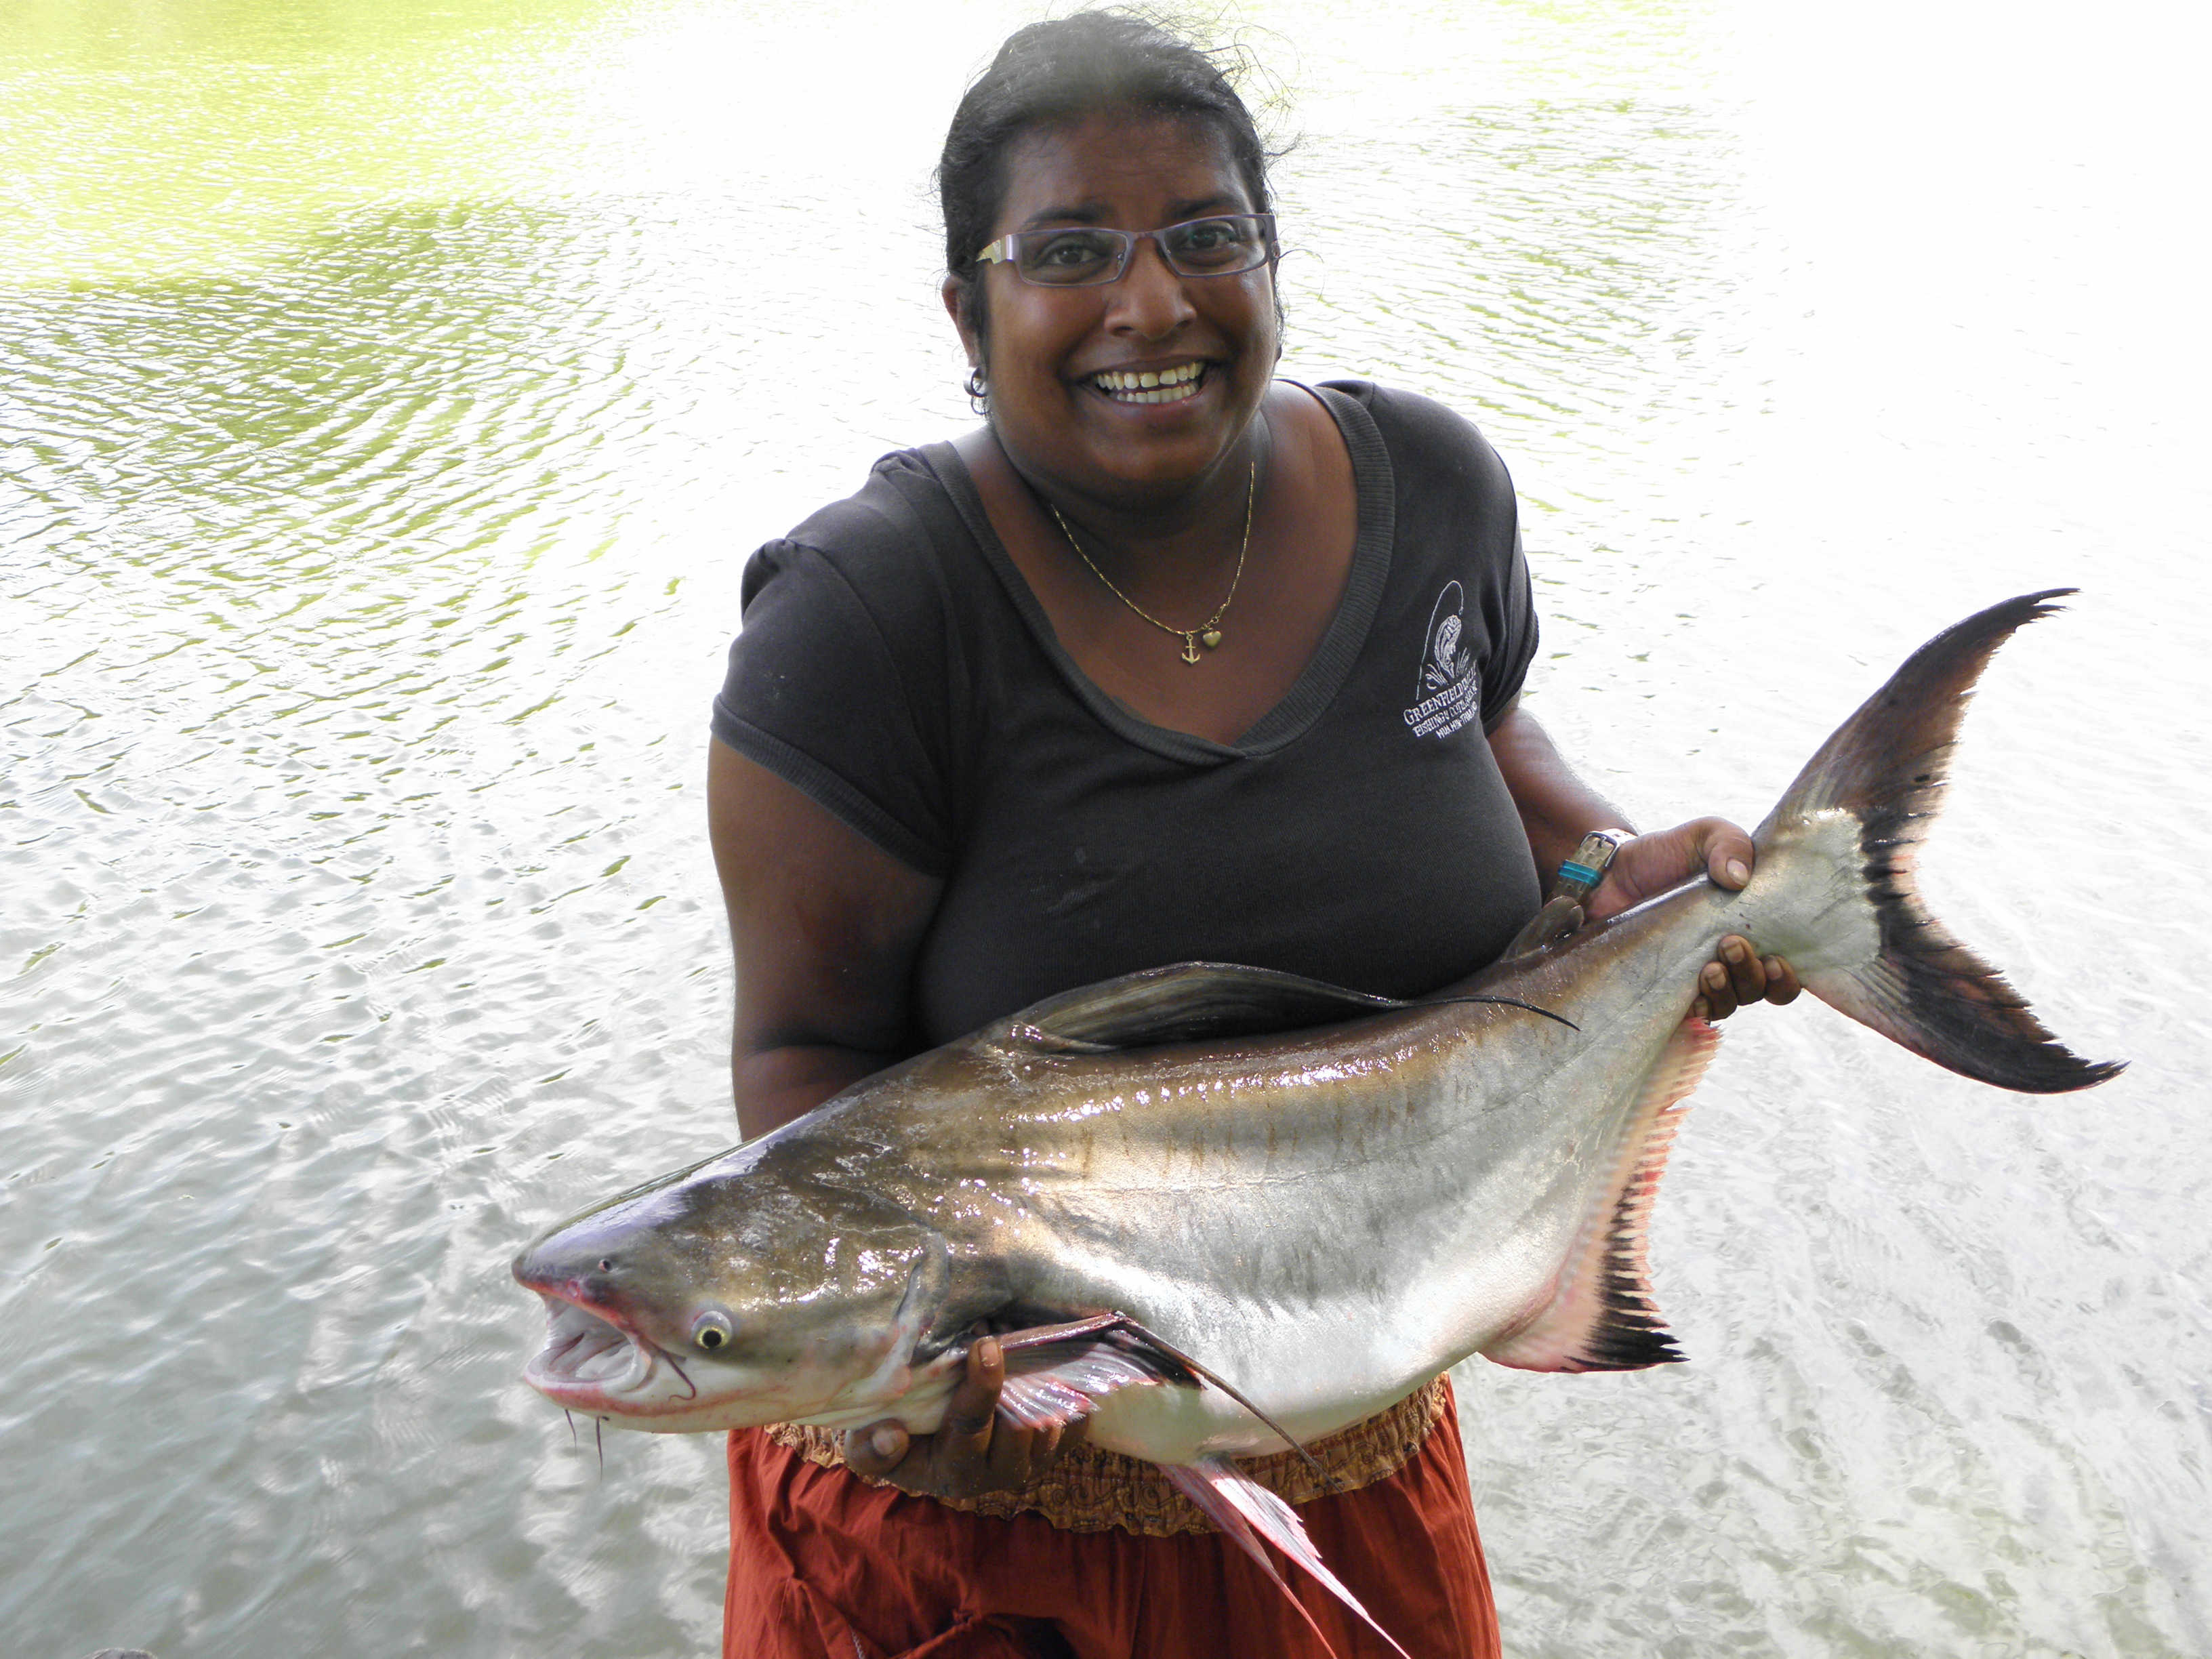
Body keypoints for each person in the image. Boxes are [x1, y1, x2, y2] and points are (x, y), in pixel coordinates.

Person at [705, 13, 1797, 1656]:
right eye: (1067, 250)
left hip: (1355, 1491)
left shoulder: (1434, 488)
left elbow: (1475, 724)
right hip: (968, 1559)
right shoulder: (865, 619)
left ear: (1273, 263)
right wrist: (900, 1364)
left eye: (1206, 236)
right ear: (966, 306)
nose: (1151, 302)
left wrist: (1604, 868)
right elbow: (801, 1052)